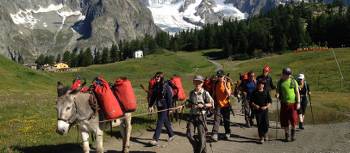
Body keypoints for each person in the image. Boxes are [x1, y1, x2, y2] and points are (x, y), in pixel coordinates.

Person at [186, 75, 214, 153]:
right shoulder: (191, 93)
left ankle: (200, 151)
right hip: (192, 116)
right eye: (196, 82)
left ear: (202, 83)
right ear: (193, 82)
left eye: (199, 82)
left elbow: (212, 103)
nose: (197, 83)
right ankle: (197, 149)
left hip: (201, 117)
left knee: (202, 137)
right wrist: (186, 105)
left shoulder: (205, 93)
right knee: (189, 134)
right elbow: (189, 104)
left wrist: (204, 105)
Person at [148, 72, 175, 146]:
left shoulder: (165, 86)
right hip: (159, 105)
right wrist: (150, 105)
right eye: (156, 76)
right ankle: (171, 134)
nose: (156, 78)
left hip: (165, 106)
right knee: (165, 120)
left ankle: (155, 139)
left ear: (161, 77)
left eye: (158, 77)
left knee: (159, 121)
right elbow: (153, 97)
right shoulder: (155, 86)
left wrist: (170, 108)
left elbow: (169, 98)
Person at [276, 68, 300, 142]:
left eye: (289, 74)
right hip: (284, 104)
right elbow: (278, 91)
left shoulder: (293, 81)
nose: (289, 76)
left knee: (293, 119)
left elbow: (297, 92)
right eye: (287, 74)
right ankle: (287, 135)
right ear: (283, 74)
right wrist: (277, 94)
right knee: (285, 120)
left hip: (293, 104)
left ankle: (293, 136)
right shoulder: (280, 82)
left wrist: (298, 102)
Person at [211, 69, 232, 141]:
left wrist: (225, 84)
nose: (219, 77)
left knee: (226, 120)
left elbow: (229, 93)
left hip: (226, 105)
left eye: (220, 76)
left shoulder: (227, 83)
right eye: (218, 76)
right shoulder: (216, 83)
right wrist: (212, 102)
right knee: (216, 120)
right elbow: (214, 93)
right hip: (218, 104)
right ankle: (214, 134)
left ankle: (227, 133)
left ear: (223, 76)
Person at [251, 80, 272, 144]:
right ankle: (261, 137)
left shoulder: (266, 92)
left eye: (262, 84)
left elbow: (270, 101)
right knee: (259, 124)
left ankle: (265, 133)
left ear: (263, 85)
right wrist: (255, 105)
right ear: (257, 85)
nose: (260, 85)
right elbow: (251, 102)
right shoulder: (254, 92)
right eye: (259, 84)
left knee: (266, 123)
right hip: (258, 110)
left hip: (265, 110)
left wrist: (266, 106)